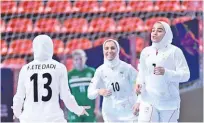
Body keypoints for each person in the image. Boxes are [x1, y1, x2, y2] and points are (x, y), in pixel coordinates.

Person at [12, 35, 90, 123]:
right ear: (51, 47)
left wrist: (17, 113)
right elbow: (66, 96)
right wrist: (78, 110)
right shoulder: (59, 67)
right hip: (53, 119)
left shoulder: (25, 69)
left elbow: (19, 96)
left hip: (29, 119)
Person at [135, 21, 190, 122]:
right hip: (148, 101)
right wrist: (138, 96)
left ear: (167, 34)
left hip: (169, 103)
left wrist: (166, 73)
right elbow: (142, 75)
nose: (154, 33)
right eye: (153, 30)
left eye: (159, 31)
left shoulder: (175, 51)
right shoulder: (145, 52)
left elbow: (186, 75)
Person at [88, 39, 140, 122]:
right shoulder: (100, 71)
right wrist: (98, 91)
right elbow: (90, 94)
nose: (109, 51)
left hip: (130, 112)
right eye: (106, 48)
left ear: (118, 50)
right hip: (111, 114)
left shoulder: (127, 68)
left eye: (112, 48)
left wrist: (139, 102)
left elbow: (140, 84)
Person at [66, 49, 100, 122]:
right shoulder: (69, 75)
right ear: (73, 60)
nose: (79, 61)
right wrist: (69, 108)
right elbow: (67, 94)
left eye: (81, 58)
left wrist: (97, 108)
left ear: (85, 58)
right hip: (75, 109)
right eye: (76, 59)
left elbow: (97, 92)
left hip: (90, 109)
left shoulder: (92, 72)